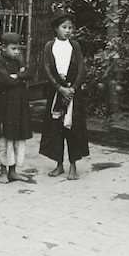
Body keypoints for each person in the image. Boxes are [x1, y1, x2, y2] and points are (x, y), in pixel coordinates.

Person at [39, 11, 89, 180]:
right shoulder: (49, 46)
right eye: (64, 27)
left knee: (73, 128)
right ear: (56, 28)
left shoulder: (74, 46)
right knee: (55, 128)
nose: (68, 30)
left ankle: (73, 166)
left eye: (70, 27)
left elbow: (81, 68)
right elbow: (47, 69)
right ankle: (59, 164)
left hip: (73, 92)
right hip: (57, 91)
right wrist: (59, 88)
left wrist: (72, 88)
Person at [0, 32, 33, 184]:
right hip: (6, 106)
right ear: (3, 48)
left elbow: (30, 74)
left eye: (18, 49)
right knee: (6, 138)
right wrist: (19, 77)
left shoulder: (18, 61)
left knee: (17, 137)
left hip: (20, 105)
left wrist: (18, 76)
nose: (17, 52)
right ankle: (3, 172)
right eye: (13, 48)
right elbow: (6, 81)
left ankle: (13, 171)